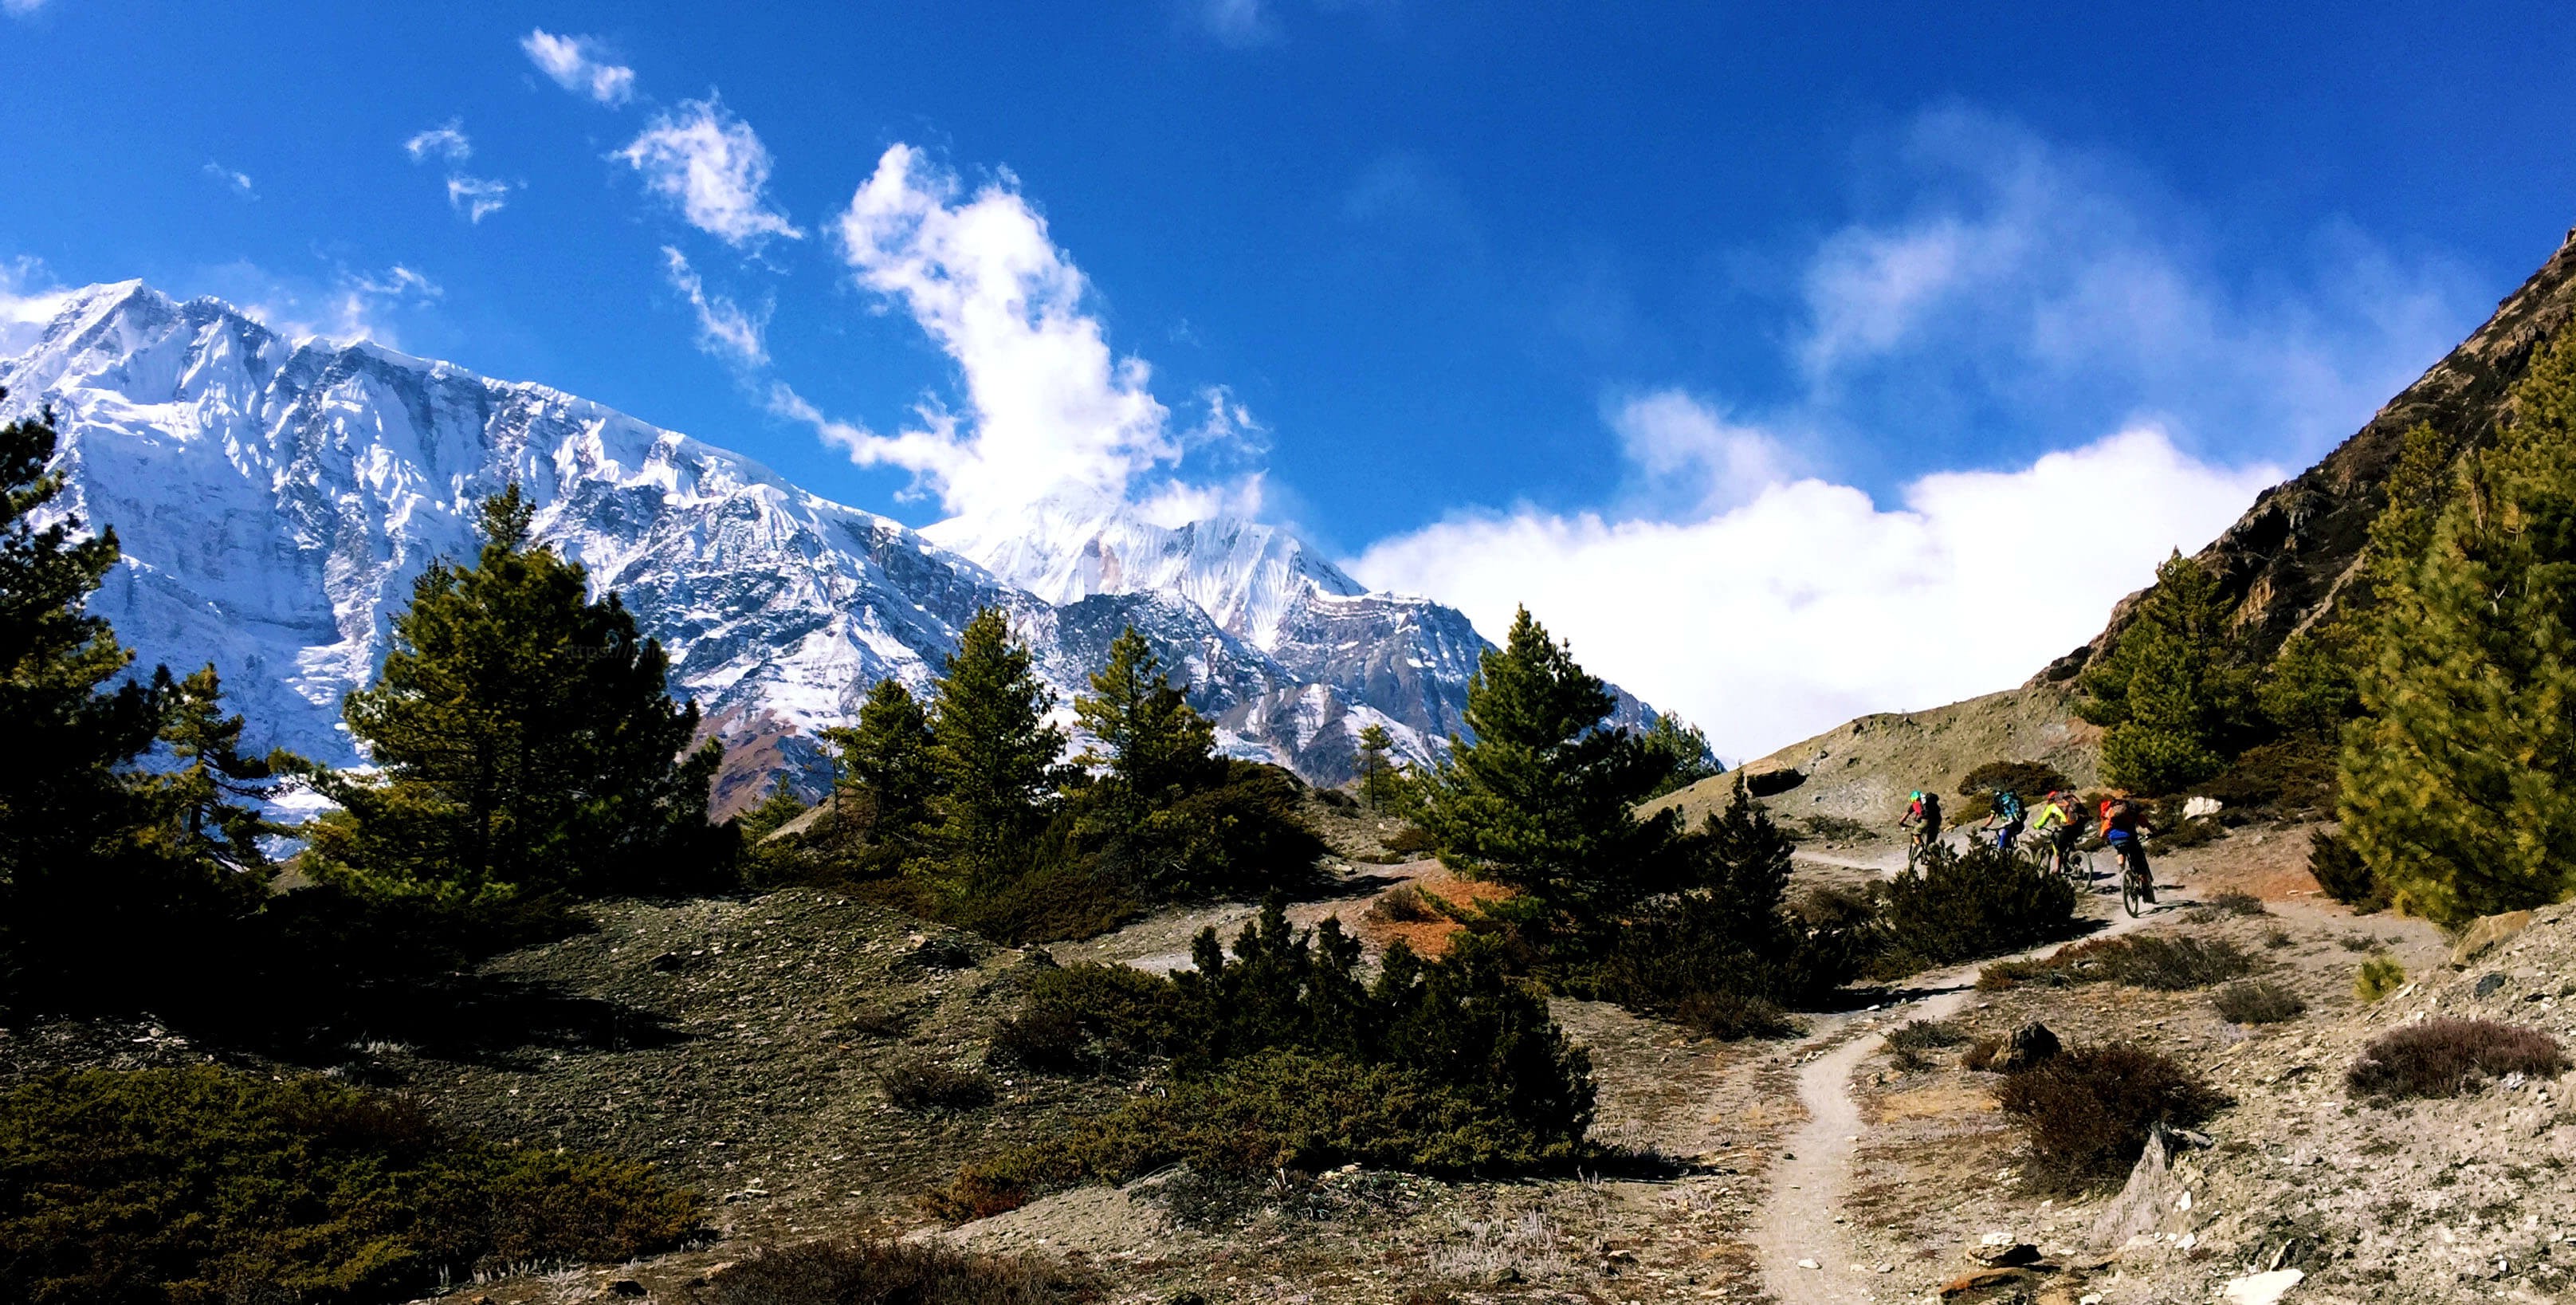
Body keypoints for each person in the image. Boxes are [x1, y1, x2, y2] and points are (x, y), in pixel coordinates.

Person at [2099, 792, 2154, 902]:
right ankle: (2146, 891)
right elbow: (2146, 824)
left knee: (2121, 850)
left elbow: (2103, 832)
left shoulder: (2111, 813)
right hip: (2130, 839)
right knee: (2140, 866)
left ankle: (2122, 870)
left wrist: (2104, 838)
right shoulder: (2133, 812)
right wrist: (2155, 831)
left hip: (2116, 839)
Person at [2029, 789, 2080, 874]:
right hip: (2079, 825)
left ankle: (2058, 869)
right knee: (2069, 841)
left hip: (2068, 827)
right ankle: (2076, 864)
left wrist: (2036, 826)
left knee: (2058, 847)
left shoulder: (2052, 807)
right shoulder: (2067, 803)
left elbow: (2043, 821)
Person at [1899, 789, 1942, 862]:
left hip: (1926, 821)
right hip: (1937, 821)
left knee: (1915, 833)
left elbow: (1905, 816)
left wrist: (1901, 822)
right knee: (1931, 842)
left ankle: (1920, 848)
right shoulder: (1928, 804)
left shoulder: (1915, 804)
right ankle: (1934, 858)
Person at [1981, 787, 2027, 856]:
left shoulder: (1996, 805)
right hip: (2020, 824)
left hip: (2010, 824)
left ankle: (2002, 850)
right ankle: (2011, 850)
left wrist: (1984, 826)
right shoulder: (2011, 800)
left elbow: (1991, 819)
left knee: (2001, 833)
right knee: (2008, 835)